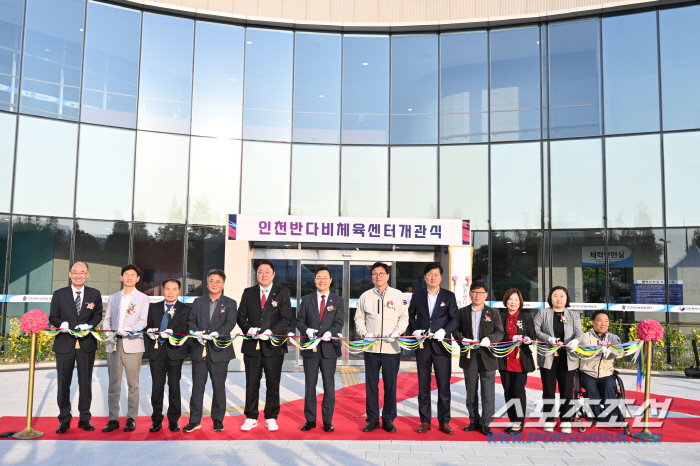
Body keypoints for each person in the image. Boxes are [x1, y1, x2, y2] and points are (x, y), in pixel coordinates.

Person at [237, 259, 292, 432]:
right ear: (256, 274)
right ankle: (251, 416)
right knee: (251, 382)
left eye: (267, 271)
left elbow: (285, 317)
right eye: (260, 271)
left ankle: (271, 416)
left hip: (273, 346)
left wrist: (272, 332)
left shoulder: (282, 292)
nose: (264, 275)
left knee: (273, 382)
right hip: (252, 346)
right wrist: (249, 329)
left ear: (273, 274)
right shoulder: (248, 292)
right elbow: (240, 317)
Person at [49, 261, 104, 434]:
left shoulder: (94, 294)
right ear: (70, 274)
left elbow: (97, 315)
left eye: (82, 272)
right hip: (64, 343)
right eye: (75, 272)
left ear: (87, 275)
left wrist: (89, 325)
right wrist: (61, 323)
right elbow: (53, 316)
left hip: (86, 344)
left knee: (85, 383)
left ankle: (84, 419)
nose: (79, 275)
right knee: (63, 383)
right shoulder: (59, 294)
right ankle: (64, 419)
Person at [354, 262, 409, 433]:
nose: (378, 276)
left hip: (391, 349)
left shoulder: (398, 295)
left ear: (388, 276)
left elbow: (404, 318)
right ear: (372, 277)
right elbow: (358, 318)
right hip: (371, 348)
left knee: (390, 385)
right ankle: (372, 419)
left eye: (381, 273)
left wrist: (397, 332)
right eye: (375, 274)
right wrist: (364, 333)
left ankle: (388, 418)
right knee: (371, 385)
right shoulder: (365, 296)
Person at [407, 262, 459, 434]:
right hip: (423, 346)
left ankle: (444, 421)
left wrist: (444, 331)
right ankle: (425, 421)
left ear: (441, 277)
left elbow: (455, 319)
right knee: (423, 385)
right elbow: (410, 316)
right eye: (429, 274)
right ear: (425, 277)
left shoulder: (448, 296)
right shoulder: (417, 295)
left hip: (442, 346)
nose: (433, 277)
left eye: (436, 274)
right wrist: (414, 329)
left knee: (444, 386)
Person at [184, 269, 238, 433]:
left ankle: (218, 420)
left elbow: (230, 323)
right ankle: (194, 420)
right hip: (200, 349)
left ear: (223, 284)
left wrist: (218, 334)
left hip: (220, 350)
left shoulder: (230, 303)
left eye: (218, 281)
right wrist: (198, 335)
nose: (215, 284)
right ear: (207, 283)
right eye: (212, 281)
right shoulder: (198, 302)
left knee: (219, 387)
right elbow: (191, 321)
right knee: (197, 387)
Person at [296, 266, 345, 432]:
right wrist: (307, 330)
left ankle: (327, 420)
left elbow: (339, 322)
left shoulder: (337, 300)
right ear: (314, 280)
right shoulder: (307, 299)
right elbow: (299, 321)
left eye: (325, 277)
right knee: (310, 385)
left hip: (329, 348)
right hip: (311, 349)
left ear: (331, 280)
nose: (322, 280)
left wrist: (330, 332)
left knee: (329, 386)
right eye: (318, 277)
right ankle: (310, 420)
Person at [452, 280, 504, 435]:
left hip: (487, 356)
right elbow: (454, 331)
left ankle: (486, 423)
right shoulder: (462, 312)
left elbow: (500, 332)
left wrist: (490, 339)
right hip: (469, 356)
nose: (477, 295)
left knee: (488, 392)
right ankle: (473, 420)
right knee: (471, 391)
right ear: (470, 293)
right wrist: (463, 340)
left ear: (486, 295)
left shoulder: (493, 313)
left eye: (481, 292)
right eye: (474, 292)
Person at [102, 264, 150, 433]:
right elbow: (106, 320)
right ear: (121, 277)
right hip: (114, 343)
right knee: (113, 383)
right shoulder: (113, 297)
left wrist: (130, 330)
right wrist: (110, 332)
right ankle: (113, 418)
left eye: (133, 275)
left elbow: (143, 321)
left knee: (133, 384)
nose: (129, 277)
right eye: (126, 275)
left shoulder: (143, 298)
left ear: (137, 279)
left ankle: (131, 418)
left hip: (133, 343)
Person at [534, 286, 584, 434]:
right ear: (550, 297)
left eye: (562, 296)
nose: (559, 299)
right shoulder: (543, 312)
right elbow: (535, 330)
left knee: (567, 391)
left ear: (567, 298)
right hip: (548, 357)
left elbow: (579, 332)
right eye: (555, 295)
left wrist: (576, 341)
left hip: (568, 358)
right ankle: (549, 420)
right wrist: (548, 338)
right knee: (548, 390)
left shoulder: (573, 314)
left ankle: (566, 421)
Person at [144, 279, 191, 433]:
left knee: (174, 387)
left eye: (174, 289)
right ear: (163, 290)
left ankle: (173, 420)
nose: (170, 292)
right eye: (168, 289)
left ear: (179, 291)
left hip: (175, 352)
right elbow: (146, 326)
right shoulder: (154, 307)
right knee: (157, 387)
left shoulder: (184, 309)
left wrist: (173, 332)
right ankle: (156, 419)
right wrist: (150, 331)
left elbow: (185, 328)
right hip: (157, 351)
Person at [497, 289, 536, 433]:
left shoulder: (526, 317)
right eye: (510, 299)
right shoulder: (499, 316)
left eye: (516, 300)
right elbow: (498, 335)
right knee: (507, 391)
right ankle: (512, 420)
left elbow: (532, 335)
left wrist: (527, 339)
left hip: (520, 359)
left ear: (520, 303)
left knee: (518, 390)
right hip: (504, 359)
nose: (513, 302)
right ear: (506, 301)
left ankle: (519, 422)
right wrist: (511, 338)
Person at [578, 309, 624, 424]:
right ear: (593, 322)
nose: (603, 323)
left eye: (606, 321)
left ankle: (613, 416)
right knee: (590, 387)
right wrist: (599, 350)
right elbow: (586, 347)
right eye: (600, 320)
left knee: (609, 386)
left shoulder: (613, 337)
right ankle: (599, 416)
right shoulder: (585, 336)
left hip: (606, 373)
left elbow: (620, 352)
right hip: (588, 373)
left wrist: (611, 351)